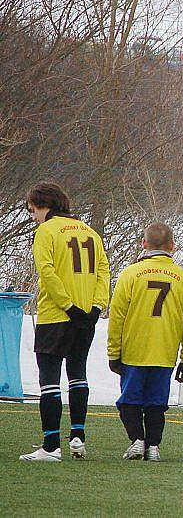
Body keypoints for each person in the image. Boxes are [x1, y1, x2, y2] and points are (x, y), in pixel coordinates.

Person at [20, 183, 110, 462]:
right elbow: (104, 270)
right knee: (78, 372)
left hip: (57, 314)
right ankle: (78, 438)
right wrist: (96, 307)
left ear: (44, 205)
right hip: (86, 316)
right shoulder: (89, 232)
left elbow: (46, 272)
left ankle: (50, 445)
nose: (33, 216)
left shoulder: (45, 231)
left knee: (49, 379)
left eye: (33, 210)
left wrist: (68, 306)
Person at [107, 223, 183, 461]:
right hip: (165, 351)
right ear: (173, 247)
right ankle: (154, 446)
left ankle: (137, 440)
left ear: (144, 244)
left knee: (129, 400)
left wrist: (113, 352)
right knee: (157, 402)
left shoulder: (130, 274)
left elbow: (117, 318)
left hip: (134, 350)